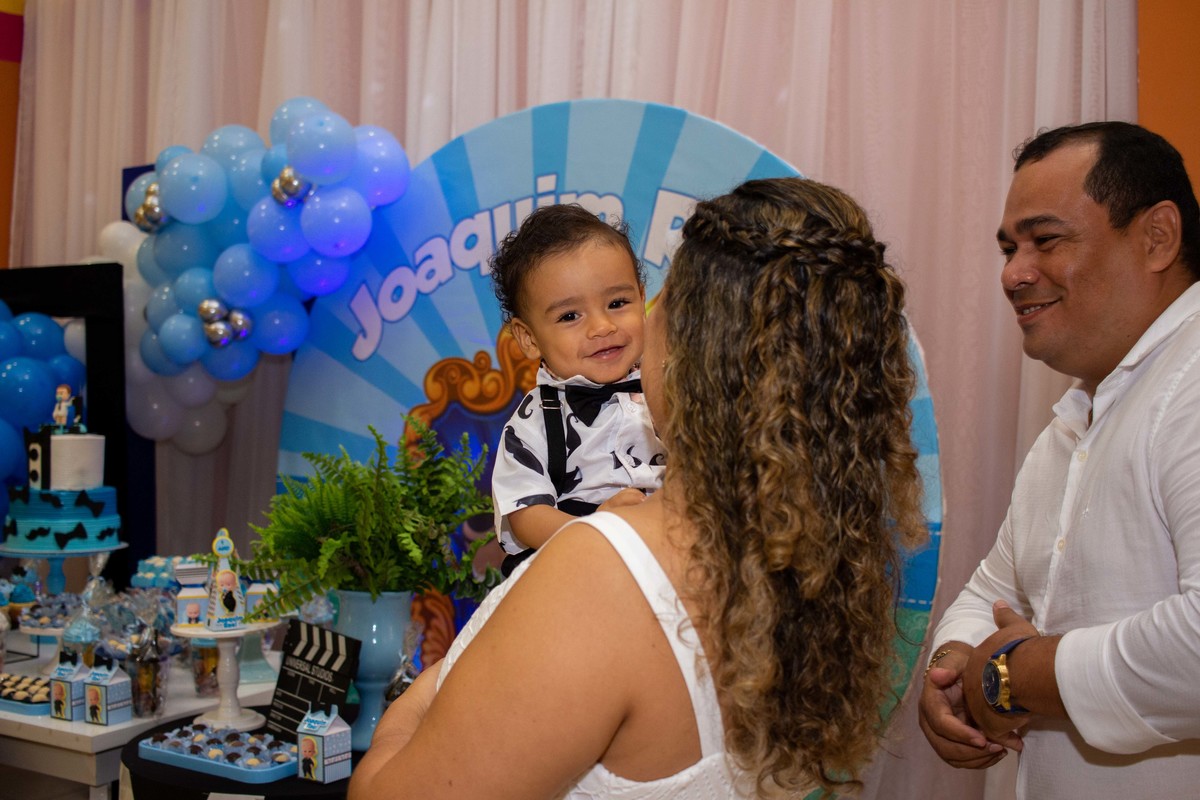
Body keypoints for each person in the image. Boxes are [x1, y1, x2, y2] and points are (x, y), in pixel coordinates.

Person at [349, 177, 926, 799]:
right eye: (571, 314)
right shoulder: (807, 558)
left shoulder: (601, 574)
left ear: (693, 347)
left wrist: (412, 710)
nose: (613, 325)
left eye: (645, 300)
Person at [918, 121, 1200, 798]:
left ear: (1158, 237)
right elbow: (995, 588)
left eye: (1046, 240)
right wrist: (954, 670)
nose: (1014, 273)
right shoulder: (1077, 418)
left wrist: (1020, 677)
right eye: (1009, 248)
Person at [488, 204, 666, 572]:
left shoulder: (669, 390)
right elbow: (525, 513)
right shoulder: (536, 420)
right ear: (529, 338)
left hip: (663, 563)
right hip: (573, 573)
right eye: (570, 316)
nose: (602, 326)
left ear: (643, 299)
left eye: (618, 303)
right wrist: (596, 534)